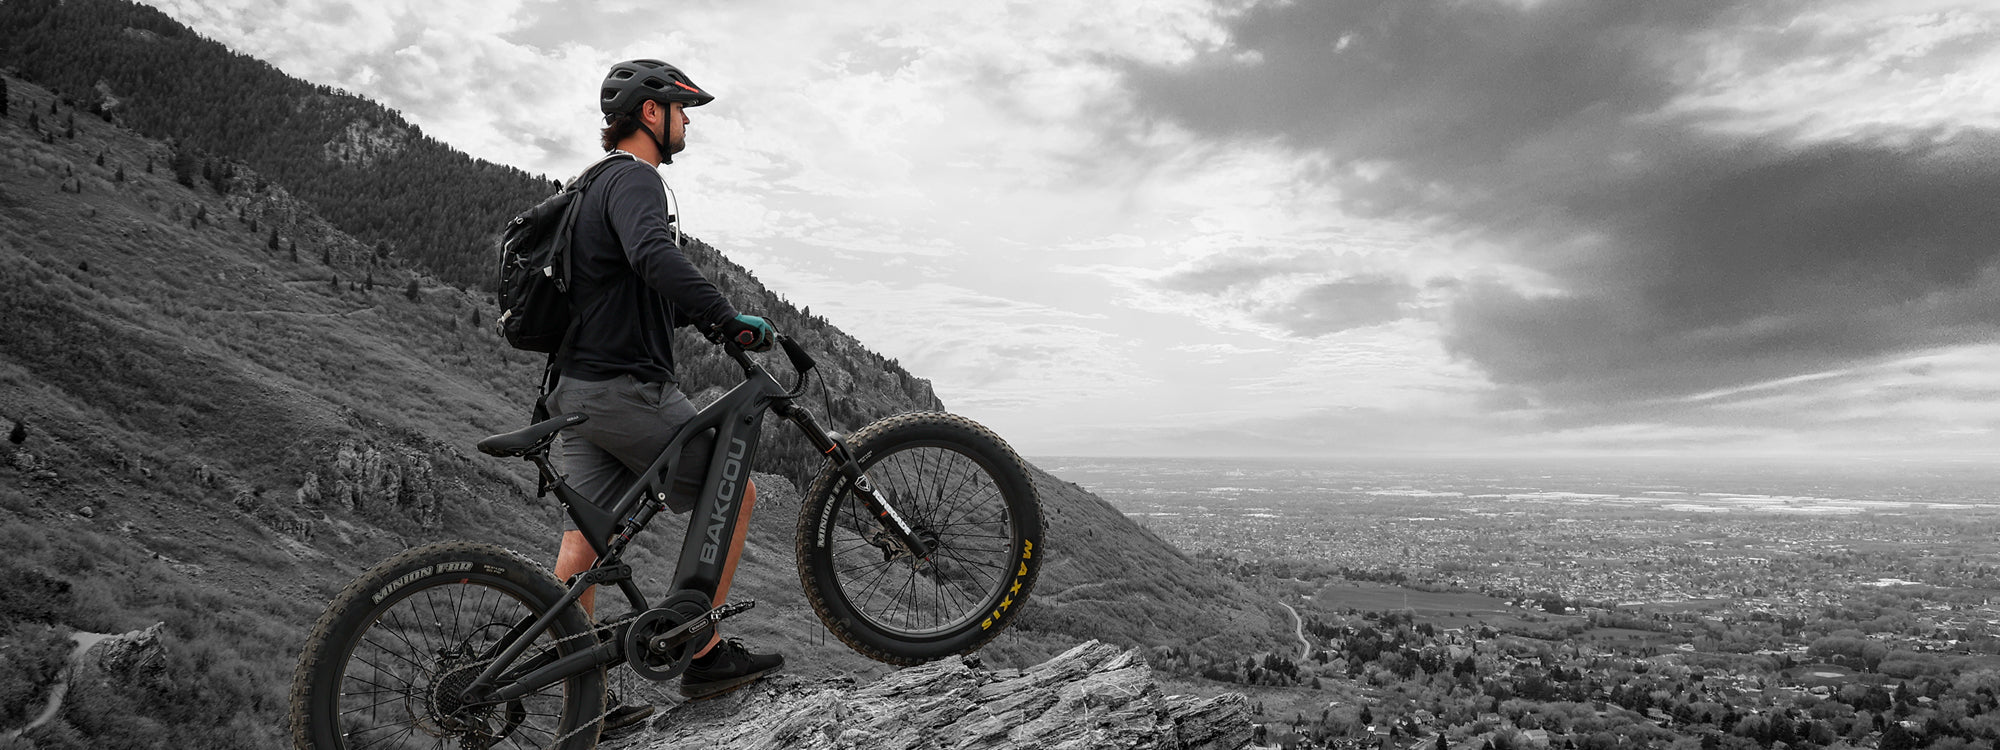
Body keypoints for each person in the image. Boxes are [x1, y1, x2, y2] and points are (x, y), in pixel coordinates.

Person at [548, 59, 785, 731]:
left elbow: (624, 289)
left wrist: (692, 318)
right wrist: (724, 316)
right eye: (682, 112)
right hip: (626, 388)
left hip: (578, 392)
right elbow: (654, 254)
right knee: (733, 488)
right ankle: (703, 651)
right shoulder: (634, 178)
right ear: (651, 114)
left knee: (582, 549)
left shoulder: (589, 186)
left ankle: (580, 712)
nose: (686, 125)